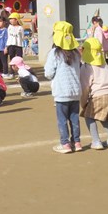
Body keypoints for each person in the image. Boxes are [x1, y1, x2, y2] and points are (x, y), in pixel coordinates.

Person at [44, 21, 82, 154]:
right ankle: (77, 142)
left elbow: (48, 73)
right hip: (75, 91)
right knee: (74, 118)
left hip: (61, 92)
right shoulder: (76, 53)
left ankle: (65, 144)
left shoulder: (54, 53)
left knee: (62, 120)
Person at [80, 38, 108, 150]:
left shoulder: (86, 67)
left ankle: (96, 141)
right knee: (103, 116)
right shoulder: (105, 65)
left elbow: (85, 88)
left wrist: (83, 103)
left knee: (89, 116)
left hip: (100, 94)